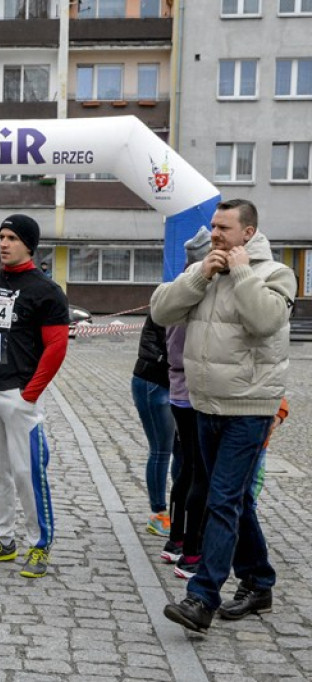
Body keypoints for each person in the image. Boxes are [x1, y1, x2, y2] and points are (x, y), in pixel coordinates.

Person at [153, 199, 296, 633]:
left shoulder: (276, 274)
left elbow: (265, 321)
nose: (214, 233)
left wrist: (242, 272)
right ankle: (259, 582)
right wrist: (200, 274)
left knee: (222, 500)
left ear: (248, 233)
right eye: (213, 226)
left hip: (249, 408)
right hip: (204, 405)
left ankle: (202, 598)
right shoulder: (206, 271)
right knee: (235, 500)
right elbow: (161, 311)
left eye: (224, 228)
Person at [0, 214, 70, 579]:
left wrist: (30, 395)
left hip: (19, 396)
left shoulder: (46, 290)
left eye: (12, 238)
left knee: (27, 472)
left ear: (29, 245)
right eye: (1, 237)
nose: (3, 244)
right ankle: (1, 539)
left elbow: (56, 346)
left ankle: (39, 544)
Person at [160, 227, 212, 576]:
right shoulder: (196, 292)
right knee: (198, 471)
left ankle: (176, 540)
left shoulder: (180, 287)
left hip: (179, 389)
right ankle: (191, 551)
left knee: (186, 468)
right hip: (193, 391)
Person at [131, 314, 175, 536]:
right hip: (154, 379)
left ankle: (178, 509)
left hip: (177, 384)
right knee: (161, 449)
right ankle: (159, 513)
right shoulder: (167, 303)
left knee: (182, 451)